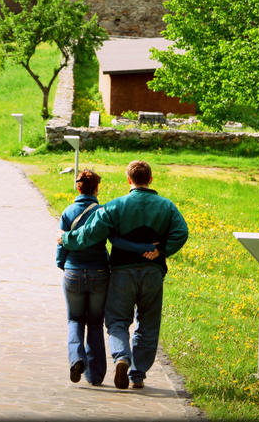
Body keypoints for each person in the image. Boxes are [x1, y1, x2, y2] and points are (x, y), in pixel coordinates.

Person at [59, 160, 189, 390]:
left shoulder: (114, 207)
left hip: (121, 272)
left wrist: (66, 239)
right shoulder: (167, 206)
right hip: (152, 272)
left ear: (128, 180)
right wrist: (161, 250)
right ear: (150, 179)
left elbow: (89, 234)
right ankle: (137, 374)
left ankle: (121, 356)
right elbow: (181, 232)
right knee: (148, 323)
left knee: (118, 320)